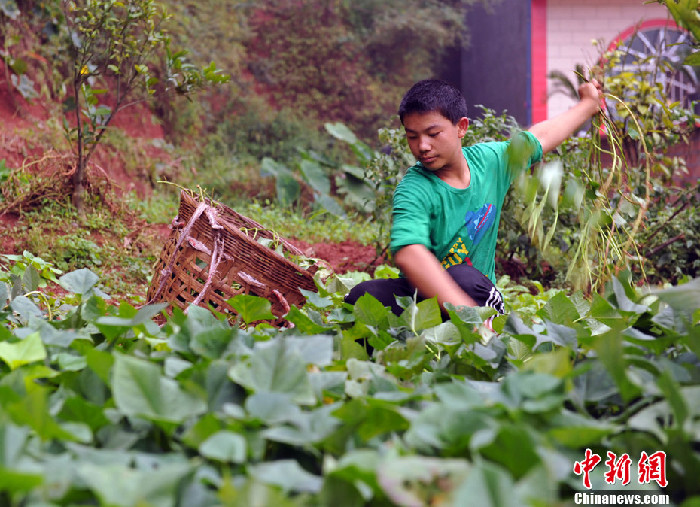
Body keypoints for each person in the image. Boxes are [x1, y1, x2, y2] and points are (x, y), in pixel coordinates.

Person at [345, 78, 602, 318]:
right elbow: (409, 252)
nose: (422, 146)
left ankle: (486, 331)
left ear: (462, 127)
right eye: (413, 136)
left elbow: (541, 137)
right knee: (363, 296)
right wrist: (462, 313)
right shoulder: (414, 188)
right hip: (433, 303)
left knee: (463, 275)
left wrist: (589, 104)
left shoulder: (490, 163)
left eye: (433, 134)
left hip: (477, 298)